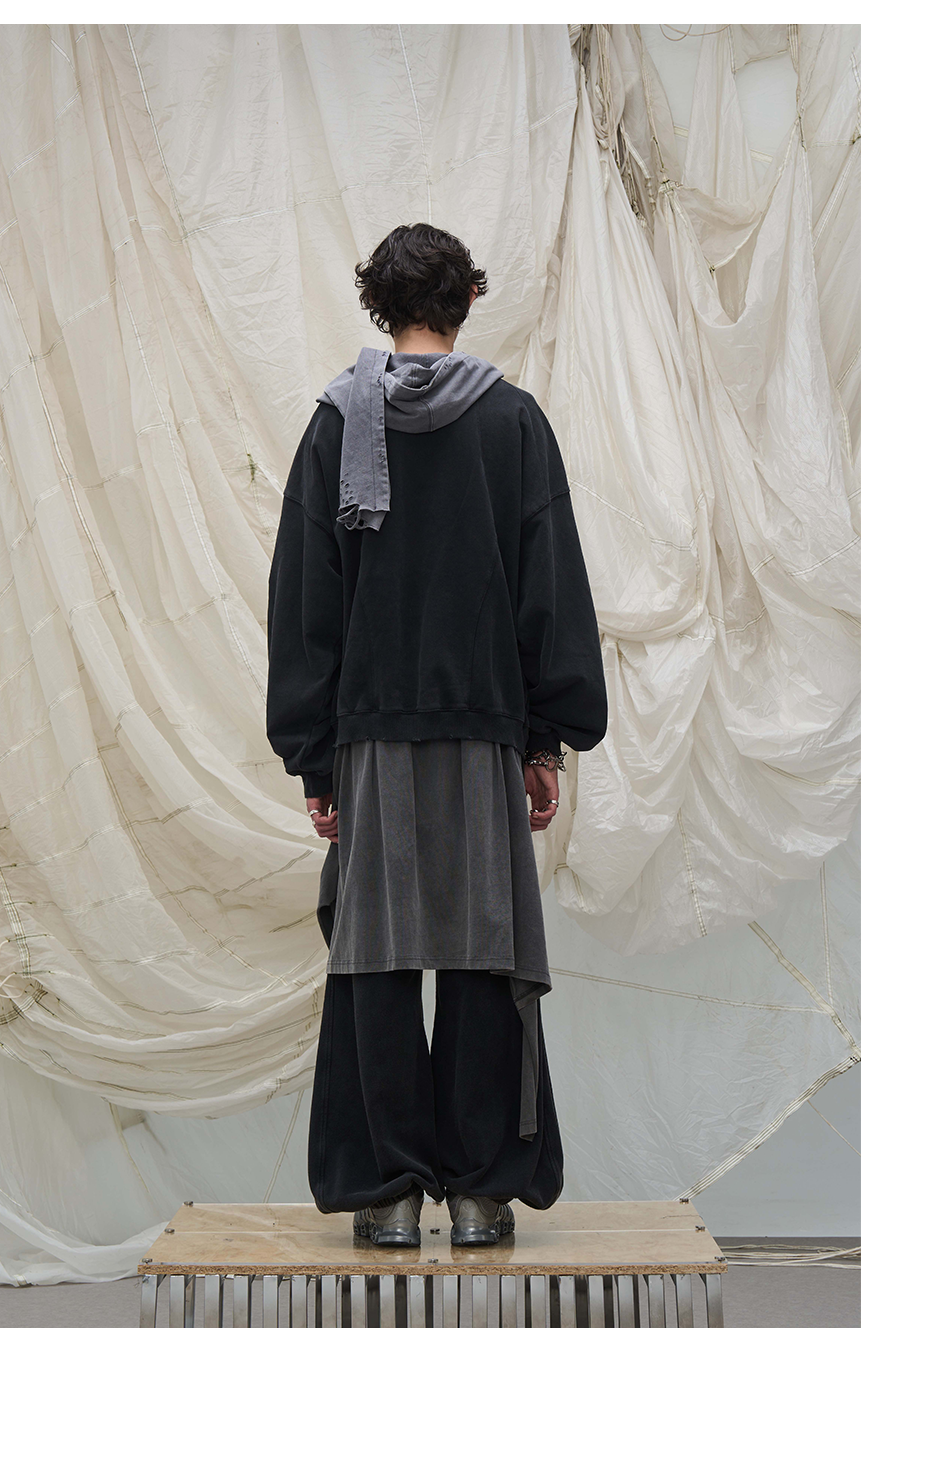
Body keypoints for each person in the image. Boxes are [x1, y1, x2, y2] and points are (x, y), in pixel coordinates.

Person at [266, 222, 607, 1249]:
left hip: (371, 738)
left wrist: (314, 756)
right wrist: (544, 741)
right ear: (467, 300)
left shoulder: (336, 423)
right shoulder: (512, 422)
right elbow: (549, 586)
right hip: (483, 735)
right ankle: (478, 1191)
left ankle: (385, 1194)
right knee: (481, 957)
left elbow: (305, 601)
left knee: (374, 961)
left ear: (378, 304)